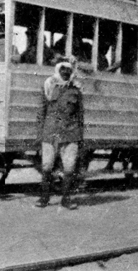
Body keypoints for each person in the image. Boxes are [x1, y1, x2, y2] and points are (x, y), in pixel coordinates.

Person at [36, 61, 85, 210]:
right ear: (57, 70)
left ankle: (66, 199)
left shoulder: (76, 91)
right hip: (50, 133)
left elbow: (80, 115)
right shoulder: (48, 86)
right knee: (46, 166)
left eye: (68, 70)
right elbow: (41, 113)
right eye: (62, 69)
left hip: (70, 133)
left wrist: (80, 137)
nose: (65, 72)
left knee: (69, 168)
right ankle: (44, 198)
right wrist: (40, 135)